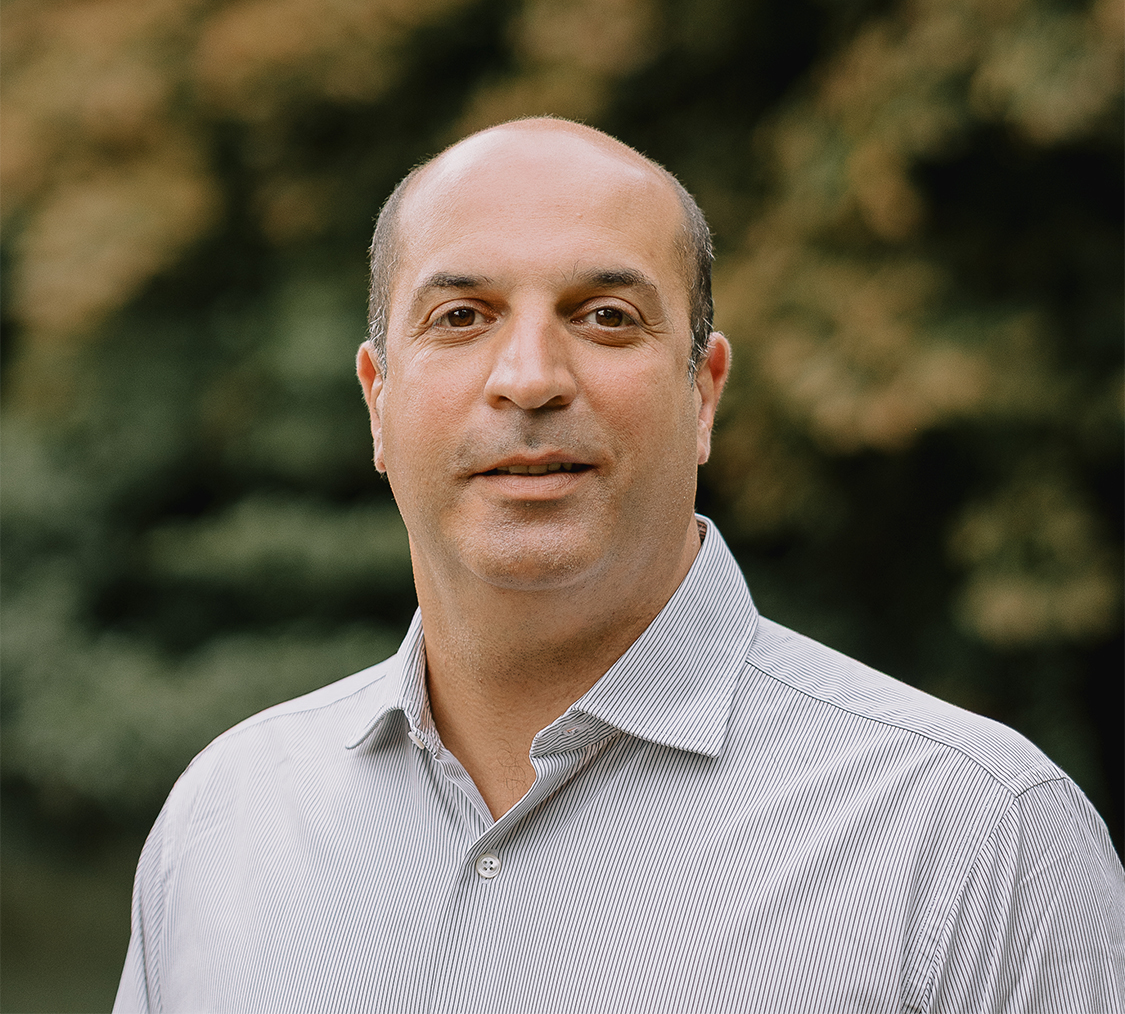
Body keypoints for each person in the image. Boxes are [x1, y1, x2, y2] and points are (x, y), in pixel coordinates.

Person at [114, 119, 1124, 1014]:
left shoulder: (976, 840)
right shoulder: (226, 820)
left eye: (606, 316)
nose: (530, 380)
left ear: (706, 392)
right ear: (378, 399)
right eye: (461, 316)